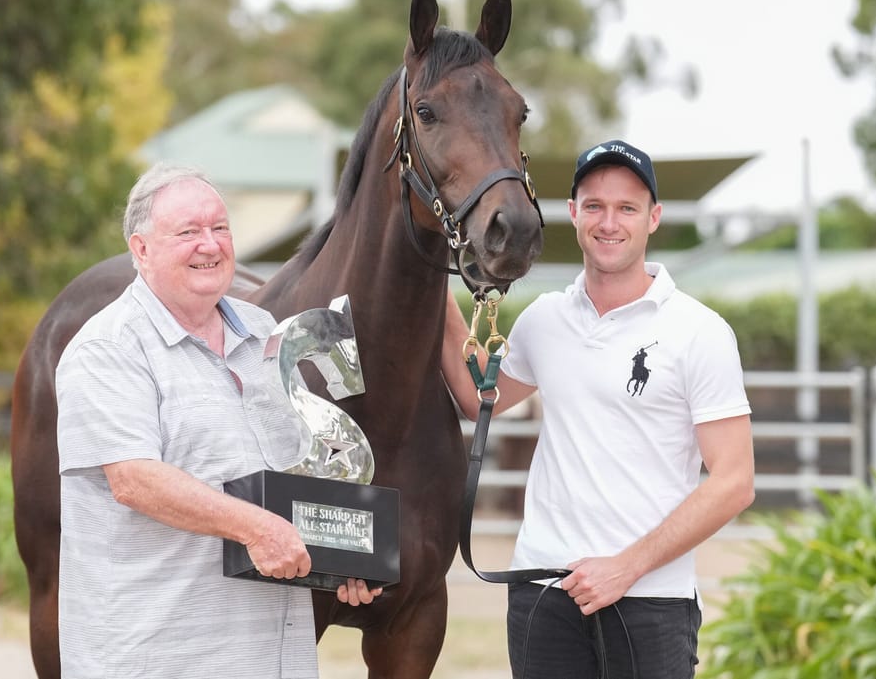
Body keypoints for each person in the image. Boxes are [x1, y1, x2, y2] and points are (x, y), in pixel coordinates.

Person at [442, 140, 755, 679]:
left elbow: (735, 481)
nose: (609, 222)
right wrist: (432, 281)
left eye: (627, 208)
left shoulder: (699, 332)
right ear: (573, 214)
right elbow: (478, 400)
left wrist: (624, 569)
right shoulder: (544, 319)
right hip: (543, 590)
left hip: (650, 598)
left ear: (653, 218)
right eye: (595, 206)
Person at [55, 165, 380, 679]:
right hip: (156, 658)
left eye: (220, 228)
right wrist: (260, 528)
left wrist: (339, 557)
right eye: (187, 232)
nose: (210, 245)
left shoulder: (262, 332)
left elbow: (285, 478)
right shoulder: (108, 348)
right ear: (141, 250)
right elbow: (134, 479)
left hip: (272, 659)